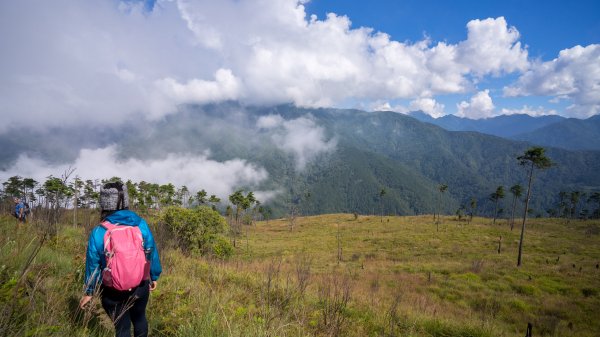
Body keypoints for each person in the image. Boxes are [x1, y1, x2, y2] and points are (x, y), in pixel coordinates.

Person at [79, 181, 162, 337]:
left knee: (122, 328)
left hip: (112, 290)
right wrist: (153, 275)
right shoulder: (140, 224)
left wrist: (89, 291)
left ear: (104, 203)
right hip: (140, 285)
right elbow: (150, 250)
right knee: (139, 319)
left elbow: (93, 264)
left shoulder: (99, 231)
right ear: (126, 201)